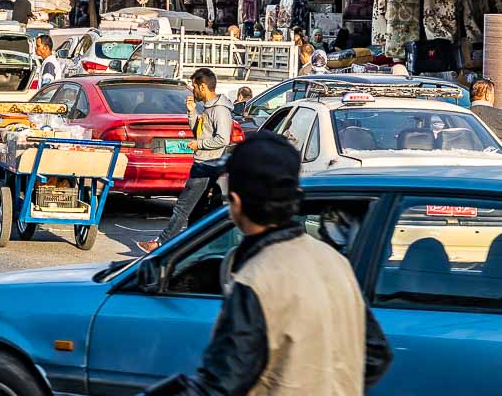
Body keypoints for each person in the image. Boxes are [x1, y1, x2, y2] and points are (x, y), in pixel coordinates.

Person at [142, 132, 393, 395]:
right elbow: (375, 355)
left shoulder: (257, 279)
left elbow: (219, 385)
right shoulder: (334, 261)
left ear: (236, 204)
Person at [143, 68, 234, 251]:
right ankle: (192, 247)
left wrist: (199, 145)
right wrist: (192, 113)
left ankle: (161, 243)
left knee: (182, 208)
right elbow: (198, 133)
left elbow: (223, 139)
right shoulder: (208, 108)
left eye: (194, 86)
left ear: (203, 86)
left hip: (207, 165)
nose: (193, 90)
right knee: (196, 211)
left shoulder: (220, 110)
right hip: (204, 163)